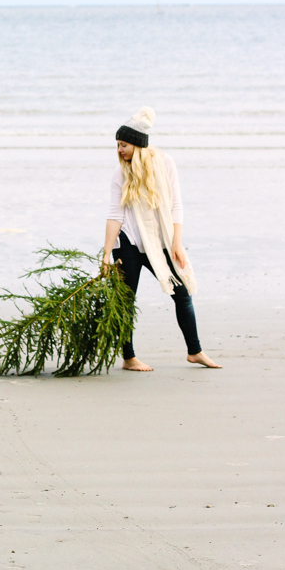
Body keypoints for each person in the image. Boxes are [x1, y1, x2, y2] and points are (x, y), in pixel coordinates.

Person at [103, 106, 221, 371]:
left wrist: (177, 243)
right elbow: (114, 216)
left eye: (123, 145)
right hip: (129, 244)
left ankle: (195, 351)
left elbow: (176, 206)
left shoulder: (165, 163)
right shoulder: (120, 174)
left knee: (182, 293)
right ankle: (129, 358)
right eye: (118, 145)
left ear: (137, 144)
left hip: (160, 243)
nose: (119, 150)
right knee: (125, 302)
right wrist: (106, 254)